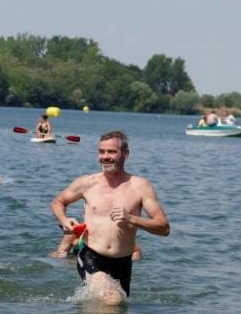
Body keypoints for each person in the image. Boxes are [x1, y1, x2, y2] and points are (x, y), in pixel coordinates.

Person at [51, 130, 170, 305]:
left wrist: (132, 218)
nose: (105, 157)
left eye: (111, 152)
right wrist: (63, 219)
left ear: (125, 154)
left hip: (123, 262)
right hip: (91, 256)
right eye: (101, 152)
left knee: (117, 312)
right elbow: (58, 202)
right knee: (112, 299)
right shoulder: (87, 183)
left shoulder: (141, 187)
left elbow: (164, 228)